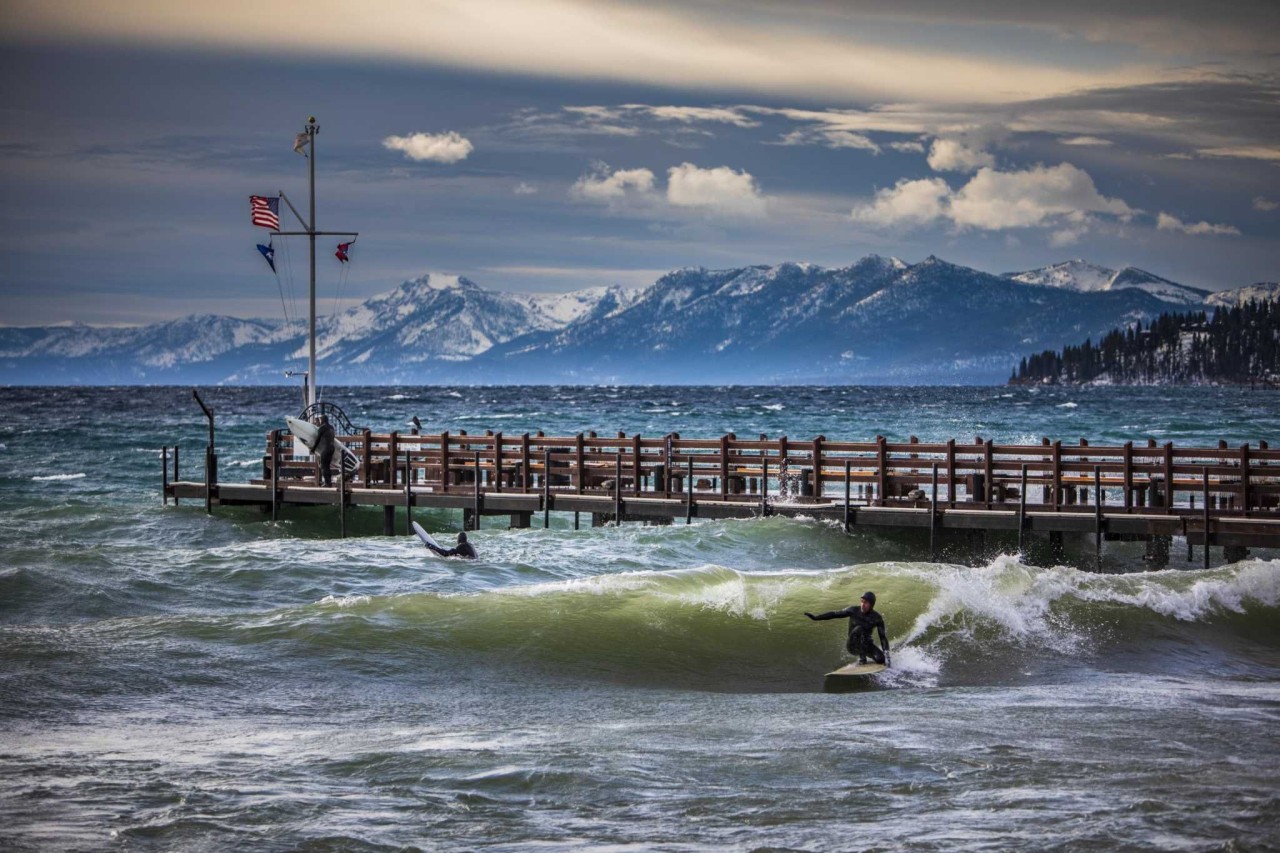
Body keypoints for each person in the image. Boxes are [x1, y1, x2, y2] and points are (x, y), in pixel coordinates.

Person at [805, 591, 890, 666]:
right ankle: (862, 659)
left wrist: (887, 656)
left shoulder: (877, 618)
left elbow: (883, 638)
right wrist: (816, 618)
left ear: (872, 605)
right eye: (862, 601)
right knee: (860, 628)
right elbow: (834, 614)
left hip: (866, 645)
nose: (863, 605)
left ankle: (868, 656)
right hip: (853, 645)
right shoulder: (853, 610)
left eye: (866, 603)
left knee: (880, 659)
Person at [313, 415, 336, 487]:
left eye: (320, 420)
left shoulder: (322, 428)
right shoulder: (331, 427)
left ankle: (327, 483)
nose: (320, 421)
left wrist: (313, 448)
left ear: (323, 420)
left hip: (325, 448)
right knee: (327, 466)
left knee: (323, 466)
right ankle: (329, 483)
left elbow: (317, 439)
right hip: (332, 448)